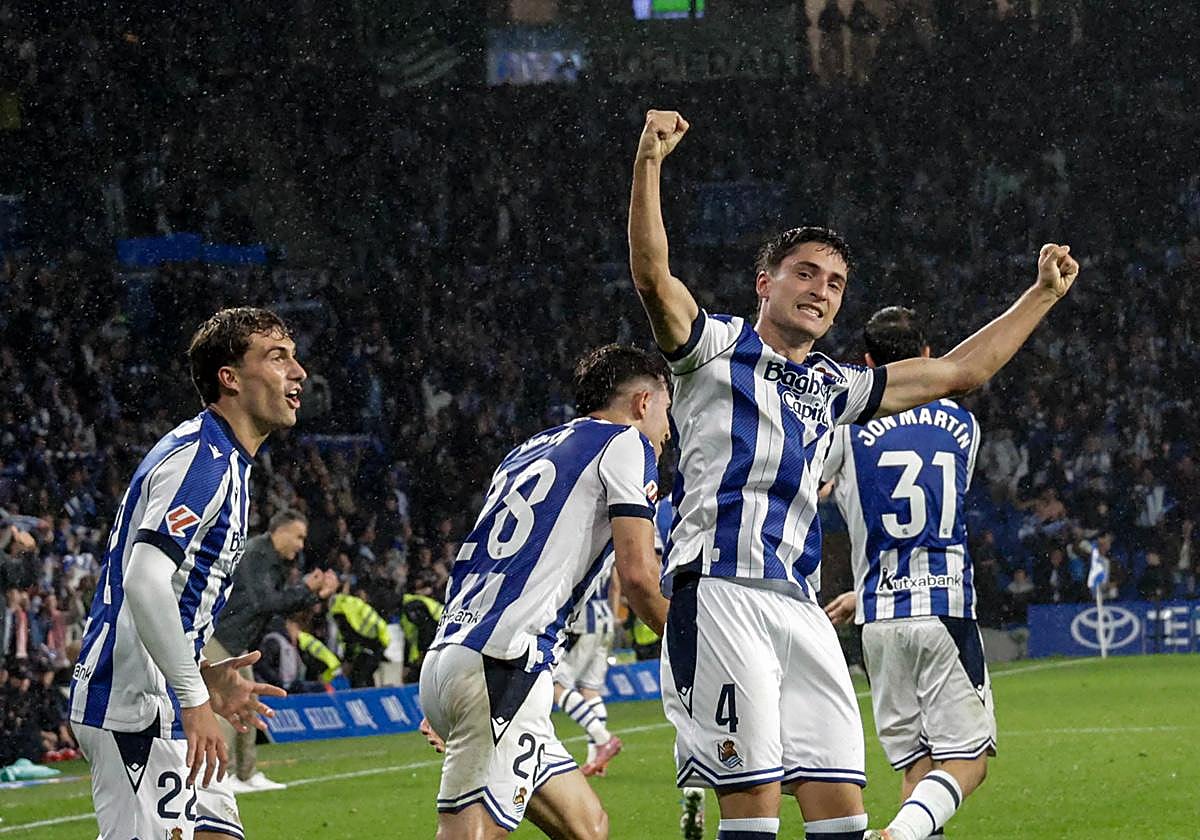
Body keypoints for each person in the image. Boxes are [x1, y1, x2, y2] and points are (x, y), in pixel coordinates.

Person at [628, 109, 1079, 840]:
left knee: (845, 816)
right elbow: (653, 276)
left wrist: (1041, 296)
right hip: (720, 592)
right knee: (754, 812)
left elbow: (961, 370)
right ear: (764, 283)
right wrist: (650, 161)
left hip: (802, 610)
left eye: (835, 281)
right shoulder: (711, 347)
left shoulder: (837, 385)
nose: (822, 289)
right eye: (805, 273)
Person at [68, 307, 307, 840]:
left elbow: (171, 597)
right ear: (230, 377)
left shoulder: (227, 461)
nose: (298, 372)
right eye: (277, 357)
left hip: (170, 700)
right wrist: (193, 696)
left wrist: (199, 674)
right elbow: (143, 581)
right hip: (134, 706)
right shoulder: (203, 461)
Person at [419, 344, 672, 839]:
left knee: (587, 826)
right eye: (667, 408)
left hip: (463, 655)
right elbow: (639, 575)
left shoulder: (525, 452)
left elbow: (489, 563)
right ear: (644, 402)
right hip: (503, 669)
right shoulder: (626, 443)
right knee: (471, 834)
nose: (668, 426)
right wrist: (692, 645)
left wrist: (452, 688)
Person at [821, 306, 995, 840]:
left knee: (916, 766)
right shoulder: (964, 425)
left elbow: (818, 492)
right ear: (927, 357)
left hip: (879, 622)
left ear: (867, 363)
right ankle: (896, 836)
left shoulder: (845, 430)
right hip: (944, 610)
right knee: (969, 762)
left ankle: (905, 831)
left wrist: (861, 591)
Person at [204, 509, 338, 793]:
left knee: (247, 703)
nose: (301, 545)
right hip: (221, 639)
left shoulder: (271, 560)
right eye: (299, 537)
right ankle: (222, 776)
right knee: (227, 707)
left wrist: (310, 593)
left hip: (238, 642)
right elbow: (263, 602)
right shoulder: (256, 554)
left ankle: (246, 773)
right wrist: (305, 590)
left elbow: (270, 603)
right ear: (281, 531)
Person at [552, 565, 621, 776]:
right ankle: (596, 761)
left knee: (556, 685)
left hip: (584, 623)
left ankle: (603, 738)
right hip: (605, 619)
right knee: (590, 691)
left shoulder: (581, 546)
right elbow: (616, 585)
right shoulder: (608, 549)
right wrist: (615, 615)